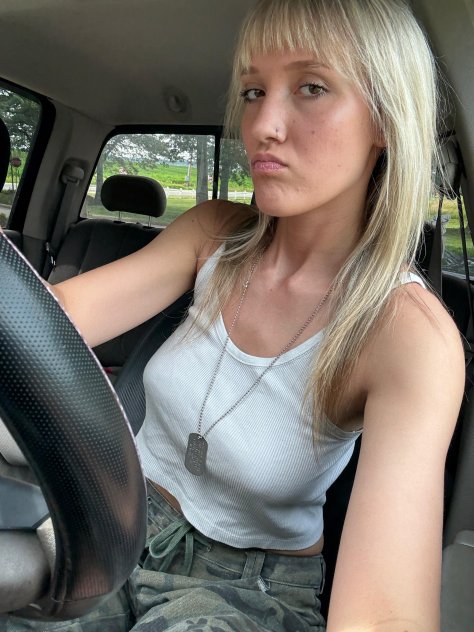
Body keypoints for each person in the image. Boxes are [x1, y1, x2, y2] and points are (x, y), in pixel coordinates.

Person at [4, 0, 464, 630]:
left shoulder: (409, 334)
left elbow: (385, 616)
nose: (263, 126)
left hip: (246, 589)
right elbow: (50, 323)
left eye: (311, 87)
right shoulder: (213, 234)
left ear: (385, 119)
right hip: (113, 521)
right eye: (253, 91)